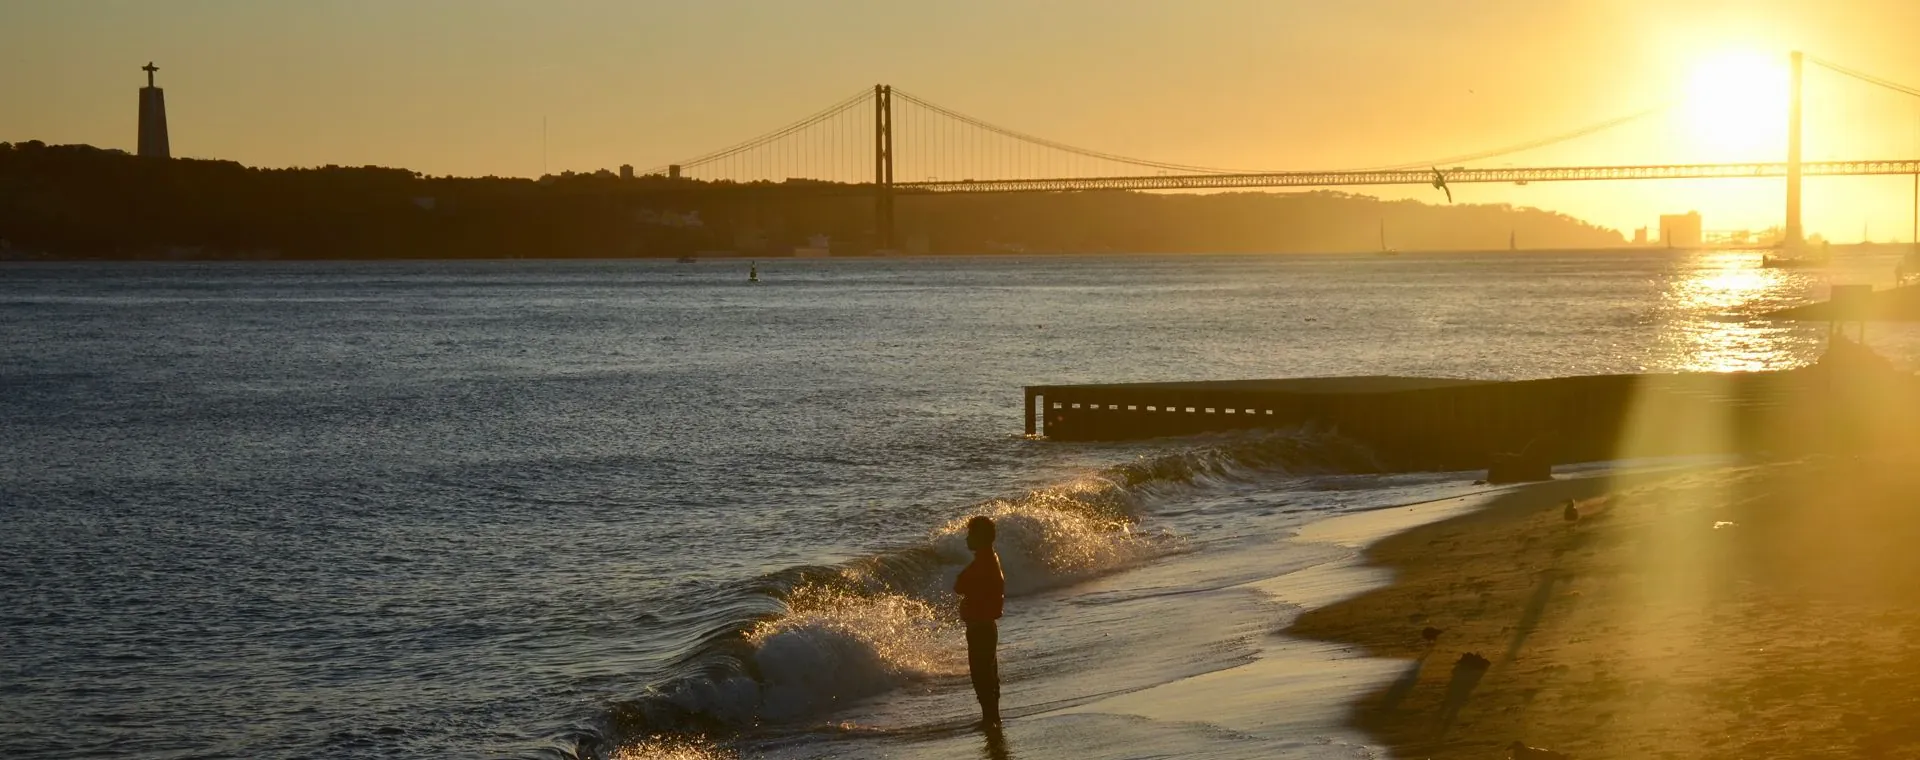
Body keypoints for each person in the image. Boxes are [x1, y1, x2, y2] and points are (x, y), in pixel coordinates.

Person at [954, 516, 1005, 725]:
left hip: (980, 628)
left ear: (980, 537)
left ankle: (990, 718)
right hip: (984, 626)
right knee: (987, 673)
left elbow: (960, 585)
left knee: (981, 674)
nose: (967, 539)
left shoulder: (984, 563)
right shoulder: (989, 559)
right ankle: (992, 716)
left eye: (970, 535)